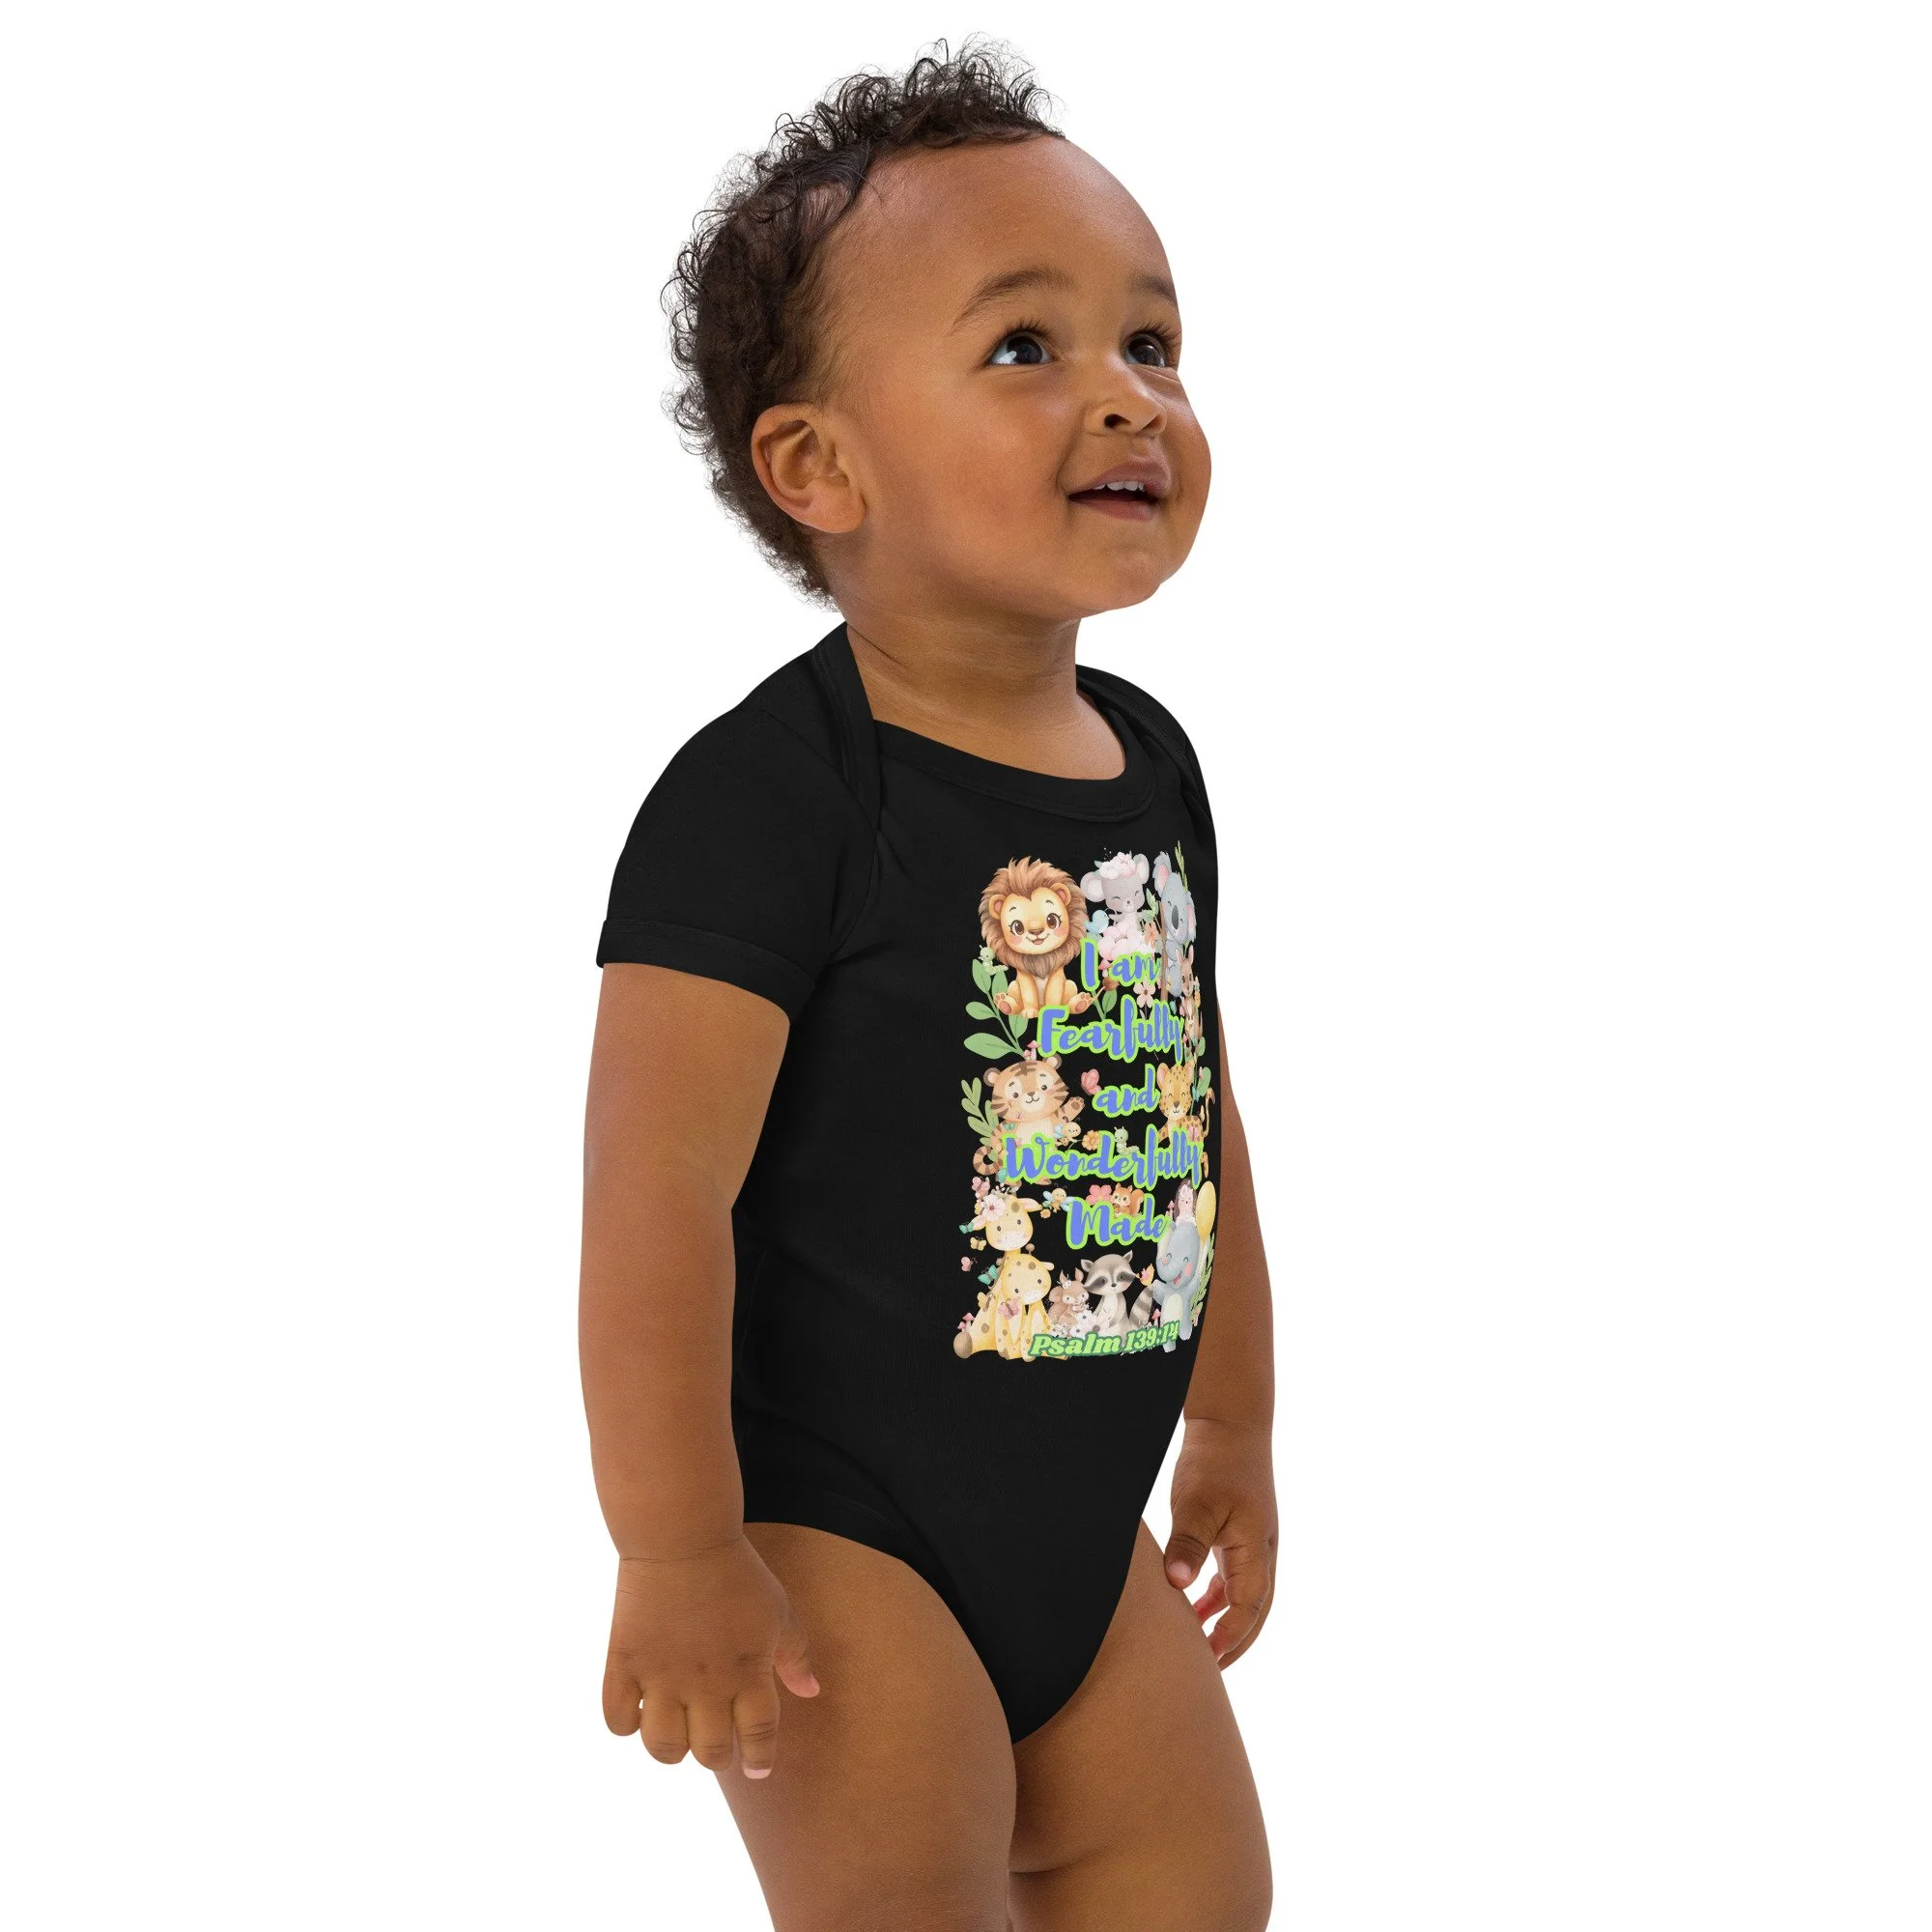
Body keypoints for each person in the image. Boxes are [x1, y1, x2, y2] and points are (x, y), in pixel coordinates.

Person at [580, 40, 1277, 1931]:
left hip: (1085, 1523)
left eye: (1153, 341)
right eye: (1026, 346)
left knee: (1203, 1894)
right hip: (839, 1537)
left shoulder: (1152, 763)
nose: (1127, 394)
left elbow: (1191, 1105)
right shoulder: (771, 798)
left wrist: (1231, 1424)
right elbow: (653, 1191)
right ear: (820, 465)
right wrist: (674, 1546)